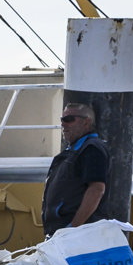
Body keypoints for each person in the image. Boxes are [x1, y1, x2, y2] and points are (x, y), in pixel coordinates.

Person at [42, 101, 109, 235]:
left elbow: (96, 189)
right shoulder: (74, 151)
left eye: (69, 119)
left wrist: (73, 228)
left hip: (78, 235)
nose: (63, 124)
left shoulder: (91, 149)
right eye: (62, 119)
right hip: (63, 233)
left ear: (86, 122)